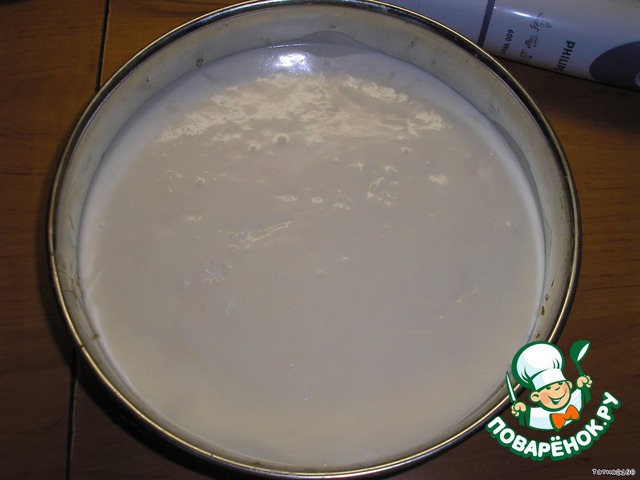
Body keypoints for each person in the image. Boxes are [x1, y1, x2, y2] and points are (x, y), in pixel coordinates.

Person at [510, 342, 592, 431]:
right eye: (548, 388)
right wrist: (522, 410)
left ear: (569, 385)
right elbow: (526, 417)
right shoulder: (538, 416)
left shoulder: (575, 400)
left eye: (560, 384)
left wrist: (582, 386)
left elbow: (584, 395)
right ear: (535, 396)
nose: (557, 389)